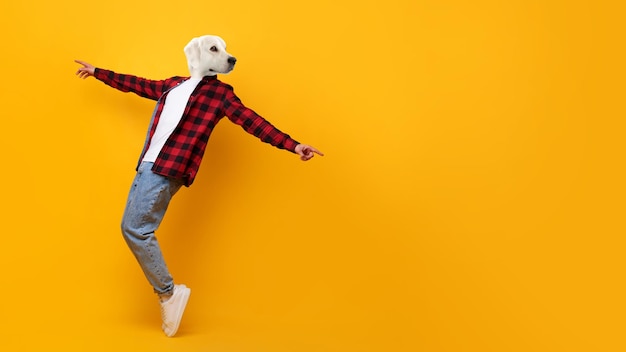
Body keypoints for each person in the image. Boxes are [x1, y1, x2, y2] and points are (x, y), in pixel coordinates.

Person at [74, 35, 323, 337]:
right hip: (147, 164)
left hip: (169, 168)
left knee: (136, 229)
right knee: (133, 228)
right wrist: (99, 72)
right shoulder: (173, 85)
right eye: (216, 50)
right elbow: (138, 84)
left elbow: (252, 121)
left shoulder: (221, 95)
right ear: (196, 54)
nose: (227, 56)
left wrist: (293, 145)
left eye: (224, 51)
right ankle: (168, 292)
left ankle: (168, 292)